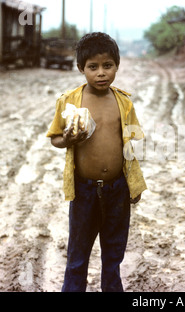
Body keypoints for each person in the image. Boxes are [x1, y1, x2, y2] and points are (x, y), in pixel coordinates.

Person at [46, 32, 147, 292]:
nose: (101, 73)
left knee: (113, 256)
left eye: (107, 66)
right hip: (84, 190)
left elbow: (129, 144)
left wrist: (132, 186)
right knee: (77, 257)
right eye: (93, 67)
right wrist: (68, 139)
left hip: (117, 189)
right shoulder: (69, 101)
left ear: (117, 66)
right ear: (81, 68)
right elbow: (55, 138)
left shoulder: (123, 102)